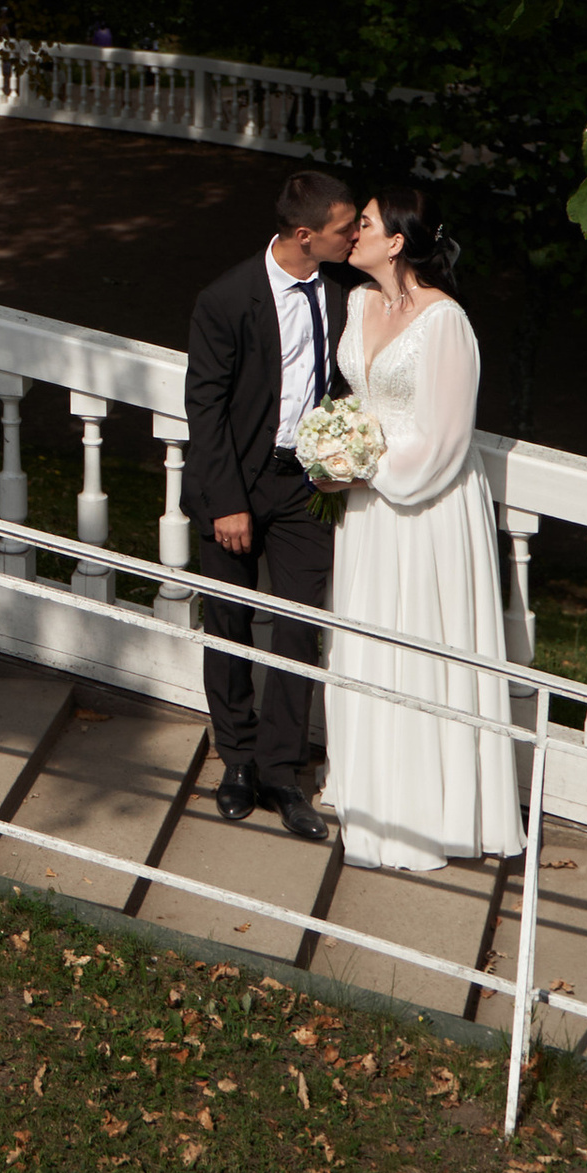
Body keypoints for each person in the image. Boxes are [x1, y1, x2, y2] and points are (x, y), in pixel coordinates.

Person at [328, 188, 523, 871]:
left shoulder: (447, 324)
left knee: (421, 646)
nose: (352, 233)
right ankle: (372, 796)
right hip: (368, 512)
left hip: (428, 505)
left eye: (366, 224)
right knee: (370, 640)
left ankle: (433, 813)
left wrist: (365, 469)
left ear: (398, 241)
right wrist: (335, 452)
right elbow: (357, 400)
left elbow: (445, 437)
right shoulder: (357, 302)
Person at [180, 169, 359, 839]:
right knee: (228, 624)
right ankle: (238, 762)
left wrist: (340, 460)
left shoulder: (346, 293)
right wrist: (227, 501)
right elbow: (206, 407)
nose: (356, 236)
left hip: (307, 488)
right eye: (347, 229)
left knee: (296, 631)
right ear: (306, 235)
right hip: (236, 487)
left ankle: (284, 773)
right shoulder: (226, 299)